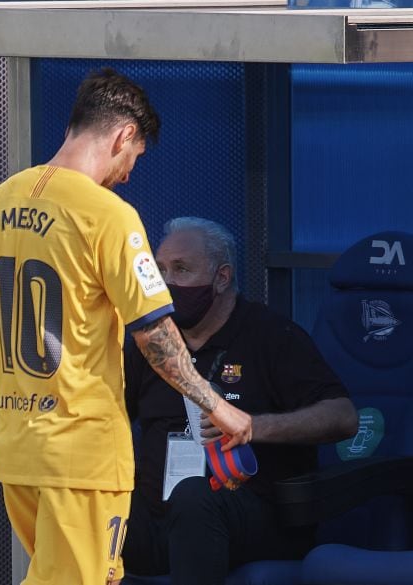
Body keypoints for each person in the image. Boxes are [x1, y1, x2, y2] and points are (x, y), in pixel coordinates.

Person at [0, 68, 253, 585]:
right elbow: (154, 333)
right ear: (123, 135)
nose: (129, 174)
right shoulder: (108, 215)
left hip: (19, 445)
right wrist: (217, 405)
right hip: (80, 451)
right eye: (134, 159)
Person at [121, 217, 358, 585]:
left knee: (194, 497)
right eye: (160, 270)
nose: (167, 284)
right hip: (158, 520)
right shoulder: (152, 345)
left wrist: (253, 426)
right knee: (91, 495)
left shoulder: (272, 336)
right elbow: (110, 415)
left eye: (181, 270)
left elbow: (342, 417)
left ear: (222, 277)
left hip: (252, 518)